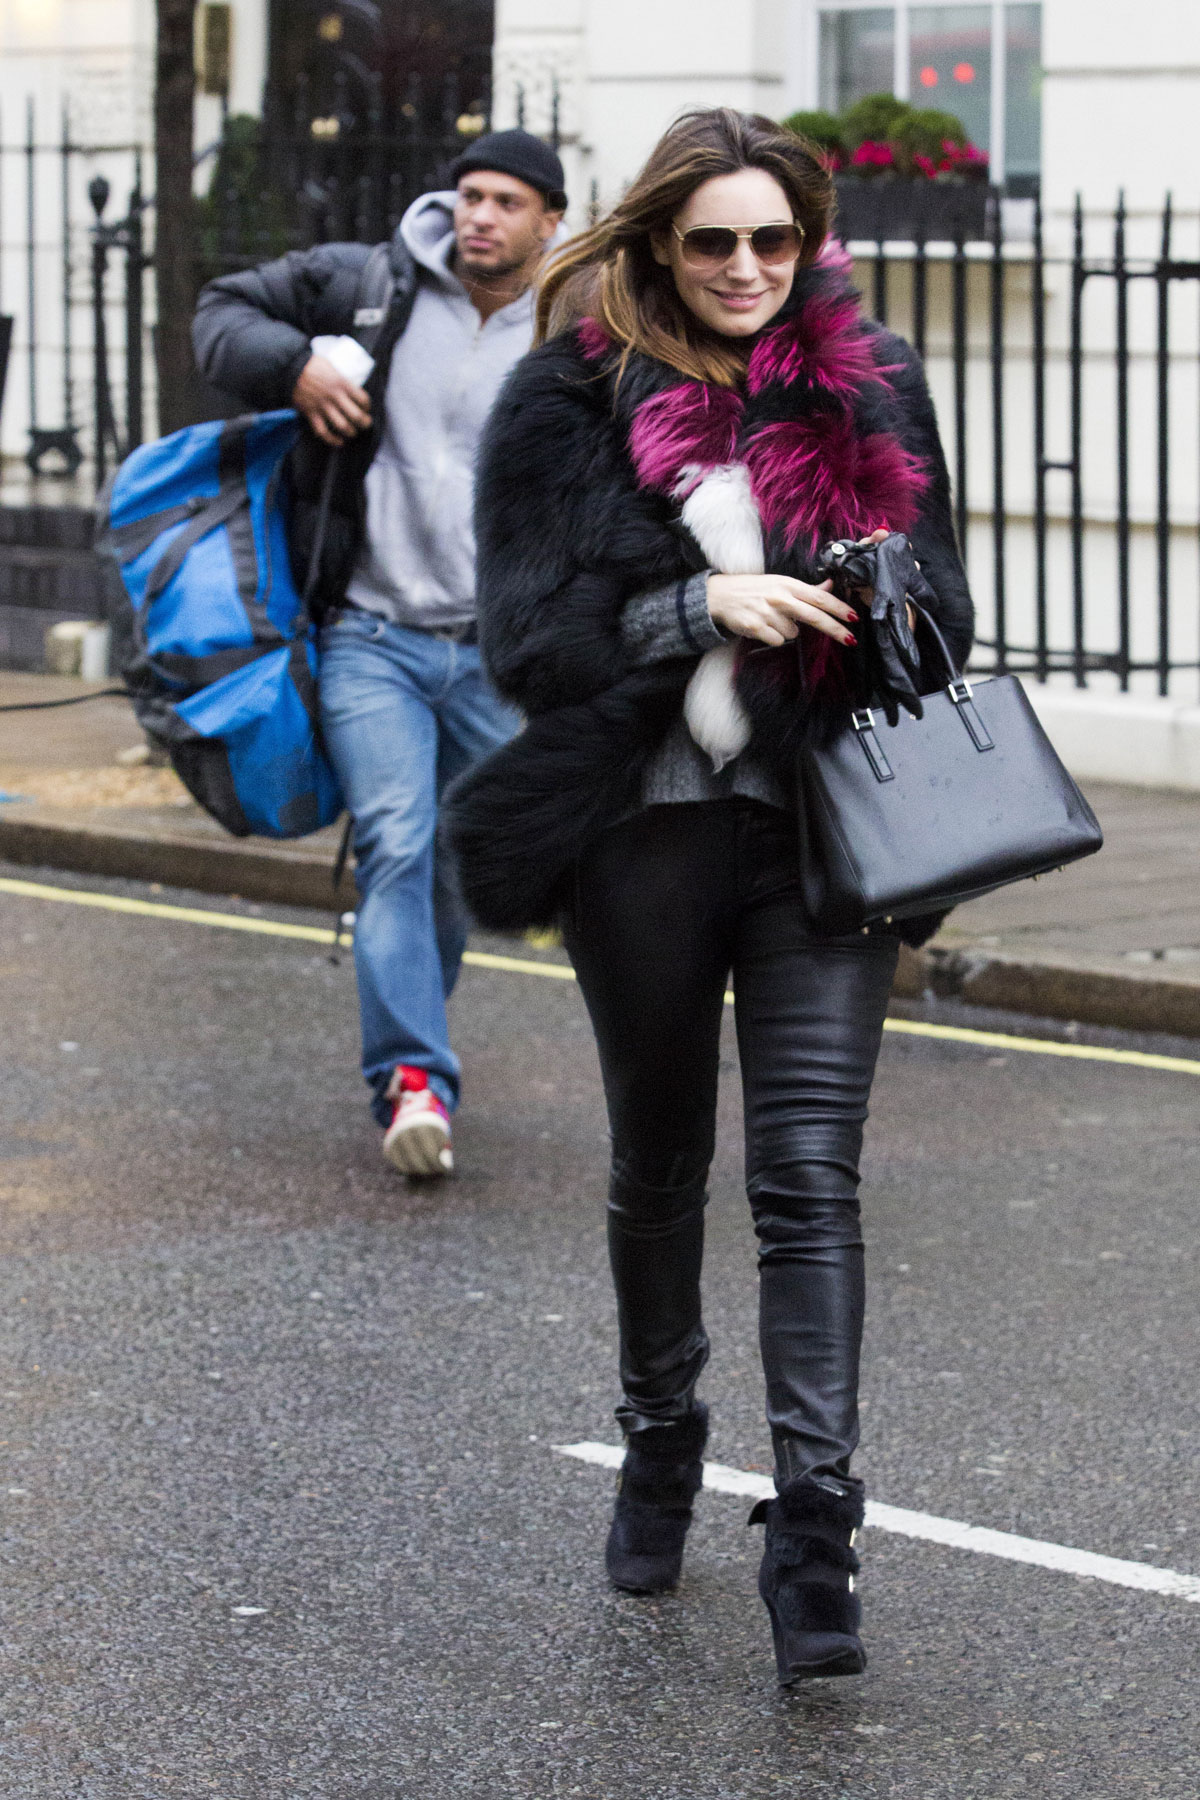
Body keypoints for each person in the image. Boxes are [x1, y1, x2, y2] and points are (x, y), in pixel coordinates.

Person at [445, 109, 972, 1680]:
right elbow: (529, 645)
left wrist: (878, 589)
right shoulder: (567, 399)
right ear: (658, 244)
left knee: (811, 1178)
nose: (746, 268)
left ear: (811, 241)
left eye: (774, 240)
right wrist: (696, 598)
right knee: (661, 1160)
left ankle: (817, 1528)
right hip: (646, 838)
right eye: (712, 241)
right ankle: (661, 1435)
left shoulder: (873, 389)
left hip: (826, 835)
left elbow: (946, 606)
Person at [193, 131, 568, 1178]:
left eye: (506, 201)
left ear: (549, 220)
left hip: (492, 653)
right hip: (371, 636)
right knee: (398, 840)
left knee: (460, 860)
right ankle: (413, 1080)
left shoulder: (573, 326)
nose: (479, 216)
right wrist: (298, 366)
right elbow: (220, 311)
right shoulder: (373, 282)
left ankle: (417, 1050)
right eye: (468, 195)